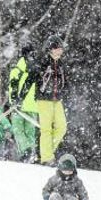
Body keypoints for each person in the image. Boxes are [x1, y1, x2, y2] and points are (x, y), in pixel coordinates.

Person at [29, 36, 67, 164]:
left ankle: (45, 152)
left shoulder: (61, 63)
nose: (59, 51)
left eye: (60, 49)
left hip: (57, 99)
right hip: (44, 99)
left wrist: (65, 92)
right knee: (46, 130)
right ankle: (46, 158)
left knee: (62, 128)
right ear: (50, 49)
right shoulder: (43, 62)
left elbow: (65, 82)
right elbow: (31, 79)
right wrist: (20, 95)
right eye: (56, 49)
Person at [6, 44, 40, 162]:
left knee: (18, 130)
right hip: (33, 106)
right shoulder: (37, 68)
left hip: (19, 105)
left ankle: (26, 151)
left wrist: (13, 100)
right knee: (30, 131)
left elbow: (13, 86)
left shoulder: (17, 69)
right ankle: (31, 153)